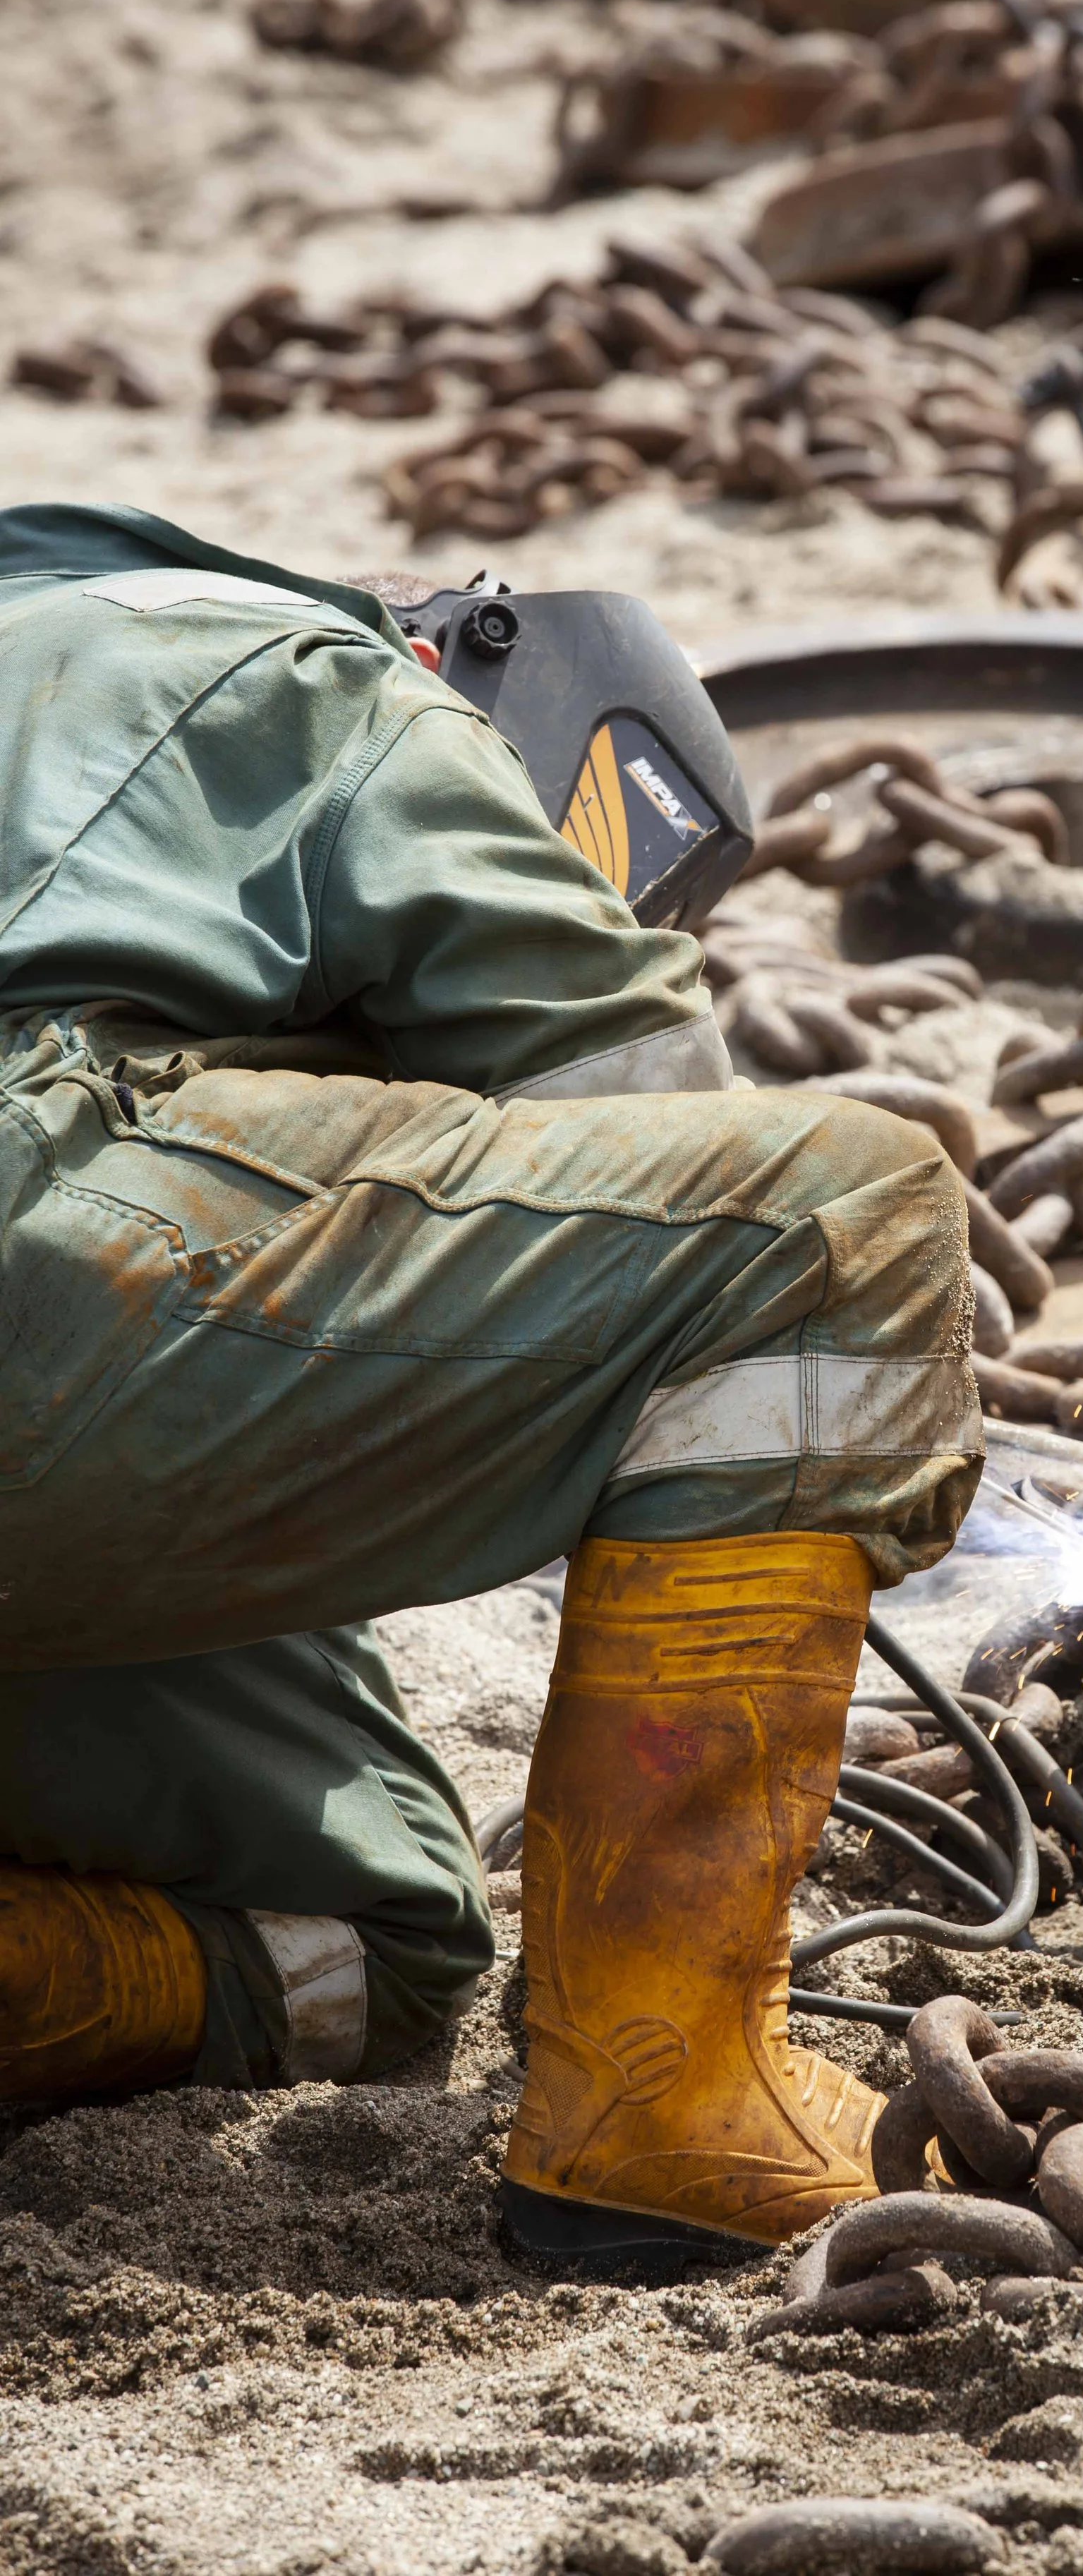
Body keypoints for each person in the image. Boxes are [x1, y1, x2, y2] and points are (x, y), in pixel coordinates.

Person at [0, 502, 980, 2272]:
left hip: (66, 1336)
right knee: (844, 1222)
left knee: (350, 1949)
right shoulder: (337, 679)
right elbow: (660, 1127)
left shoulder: (57, 654)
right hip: (40, 1264)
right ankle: (662, 2112)